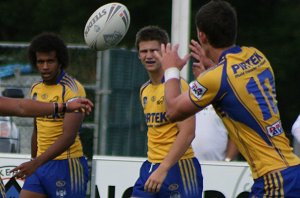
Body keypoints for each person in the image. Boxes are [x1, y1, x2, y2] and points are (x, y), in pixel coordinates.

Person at [154, 0, 300, 196]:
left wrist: (170, 70)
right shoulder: (257, 56)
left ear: (202, 35)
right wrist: (211, 67)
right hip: (290, 170)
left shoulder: (216, 78)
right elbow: (233, 80)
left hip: (274, 179)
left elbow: (172, 110)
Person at [11, 32, 89, 198]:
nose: (45, 66)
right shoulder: (36, 88)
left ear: (60, 61)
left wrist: (36, 163)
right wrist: (34, 160)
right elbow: (37, 127)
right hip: (41, 165)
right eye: (40, 61)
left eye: (50, 61)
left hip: (67, 166)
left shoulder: (73, 89)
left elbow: (68, 137)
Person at [131, 26, 203, 198]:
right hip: (151, 166)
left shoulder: (177, 85)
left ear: (164, 52)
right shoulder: (145, 90)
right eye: (144, 51)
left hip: (179, 168)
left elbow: (187, 133)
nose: (148, 56)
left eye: (154, 51)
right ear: (138, 55)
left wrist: (163, 168)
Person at [0, 97, 93, 198]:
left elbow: (21, 107)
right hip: (45, 163)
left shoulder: (69, 89)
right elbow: (21, 107)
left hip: (64, 162)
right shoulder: (37, 87)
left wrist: (65, 106)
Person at [191, 63, 239, 162]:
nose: (202, 68)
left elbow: (237, 132)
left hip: (218, 167)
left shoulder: (225, 92)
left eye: (205, 65)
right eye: (197, 64)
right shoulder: (185, 92)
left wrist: (227, 162)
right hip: (188, 167)